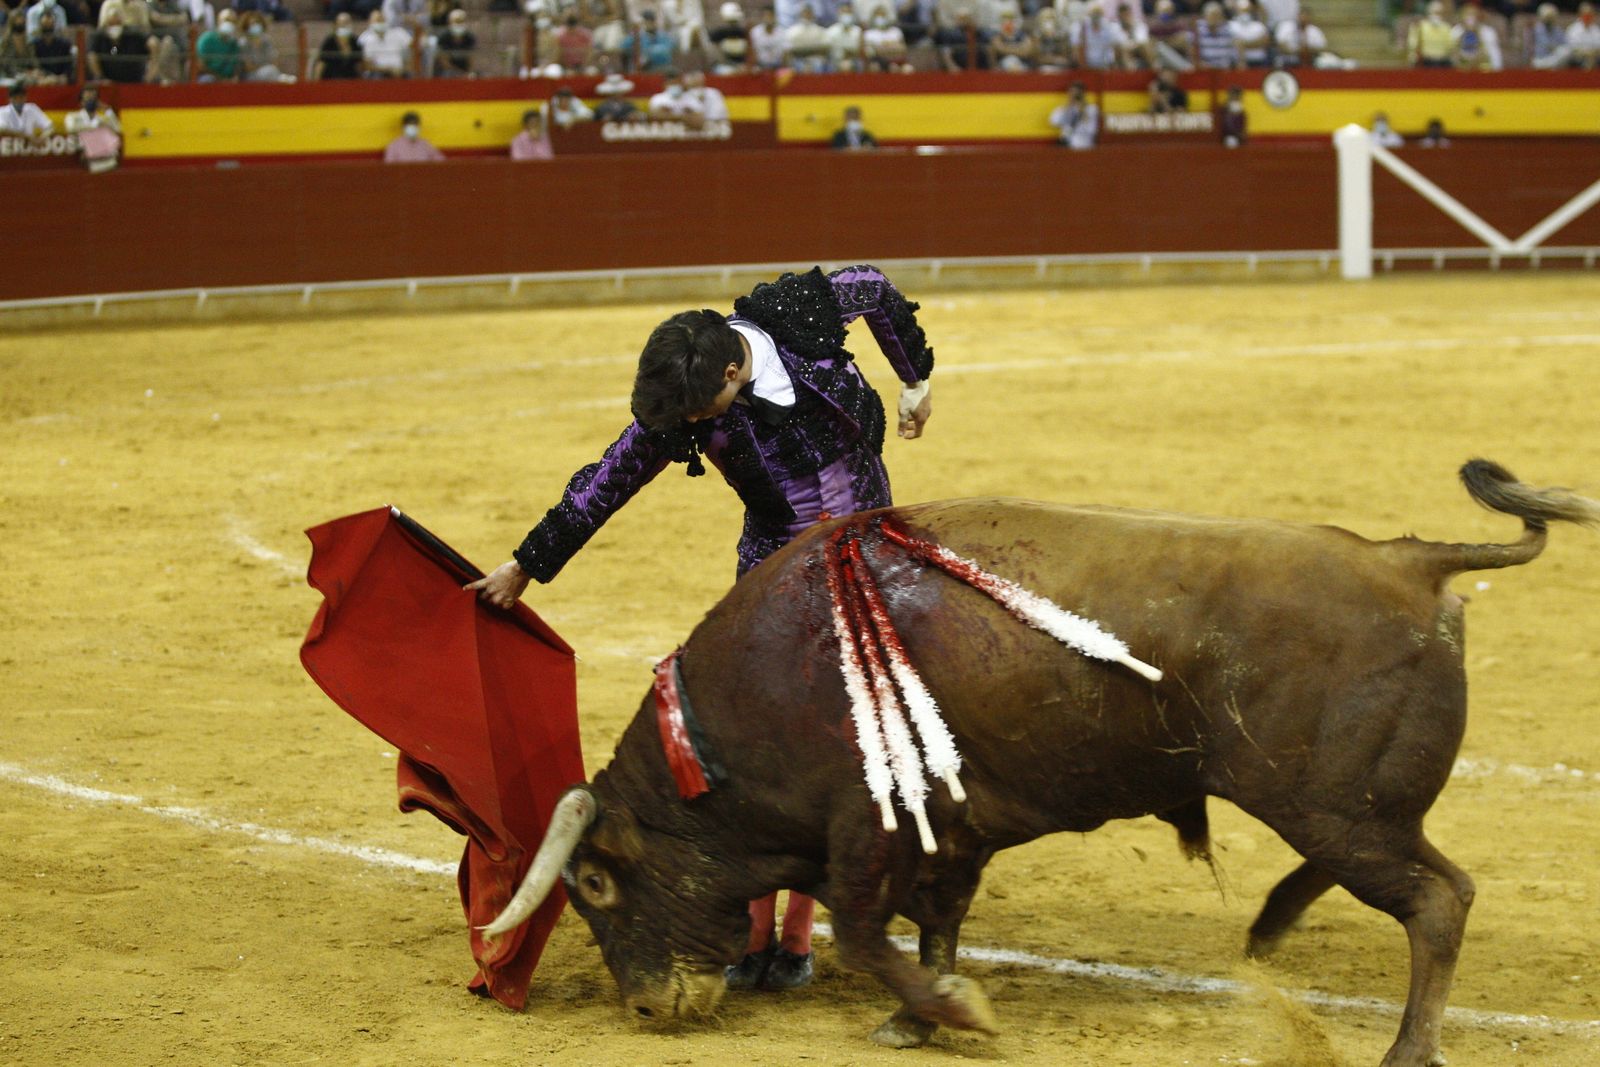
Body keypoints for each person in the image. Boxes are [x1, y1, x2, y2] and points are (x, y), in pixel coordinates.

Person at [465, 266, 936, 993]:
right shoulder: (693, 404)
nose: (689, 424)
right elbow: (608, 479)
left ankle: (799, 936)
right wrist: (526, 564)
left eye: (697, 408)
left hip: (864, 555)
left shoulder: (798, 315)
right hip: (771, 577)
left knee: (834, 743)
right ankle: (753, 936)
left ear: (731, 366)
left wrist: (916, 378)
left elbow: (872, 286)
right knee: (758, 743)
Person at [65, 83, 123, 172]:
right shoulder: (73, 117)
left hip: (106, 159)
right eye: (87, 99)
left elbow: (118, 129)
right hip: (81, 160)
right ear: (81, 102)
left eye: (93, 99)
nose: (90, 101)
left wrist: (108, 110)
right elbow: (71, 128)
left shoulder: (103, 119)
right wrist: (93, 126)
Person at [90, 12, 153, 82]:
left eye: (118, 23)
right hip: (108, 82)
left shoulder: (133, 35)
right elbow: (92, 55)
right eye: (111, 24)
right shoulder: (100, 36)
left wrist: (148, 77)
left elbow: (152, 44)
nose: (115, 27)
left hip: (134, 81)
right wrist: (100, 78)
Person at [240, 10, 295, 80]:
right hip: (250, 76)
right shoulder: (243, 43)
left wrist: (267, 67)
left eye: (257, 22)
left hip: (270, 73)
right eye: (252, 24)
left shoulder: (266, 40)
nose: (255, 25)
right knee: (270, 71)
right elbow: (248, 67)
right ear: (247, 27)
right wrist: (265, 67)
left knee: (272, 71)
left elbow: (274, 60)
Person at [359, 9, 414, 76]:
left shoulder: (399, 33)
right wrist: (388, 69)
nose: (380, 22)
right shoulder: (365, 38)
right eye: (378, 20)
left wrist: (406, 67)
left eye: (382, 19)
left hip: (400, 71)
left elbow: (413, 50)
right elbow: (367, 64)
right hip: (379, 72)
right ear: (370, 22)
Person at [1049, 80, 1098, 149]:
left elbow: (1091, 130)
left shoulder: (1091, 109)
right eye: (1072, 93)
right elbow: (1054, 122)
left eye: (1077, 93)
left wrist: (1083, 111)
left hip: (1084, 146)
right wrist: (1068, 107)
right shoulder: (1062, 109)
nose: (1074, 96)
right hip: (1067, 146)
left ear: (1083, 94)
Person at [1451, 3, 1501, 70]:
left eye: (1473, 15)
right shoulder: (1455, 32)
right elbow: (1452, 54)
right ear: (1461, 17)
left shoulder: (1488, 32)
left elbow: (1494, 55)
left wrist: (1497, 72)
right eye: (1467, 15)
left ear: (1479, 17)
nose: (1470, 18)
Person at [195, 10, 242, 80]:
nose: (229, 23)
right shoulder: (207, 39)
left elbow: (236, 66)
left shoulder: (235, 43)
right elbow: (200, 65)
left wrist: (234, 77)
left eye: (233, 21)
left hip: (229, 79)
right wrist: (220, 79)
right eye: (226, 20)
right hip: (209, 77)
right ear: (218, 22)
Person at [315, 12, 364, 77]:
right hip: (331, 78)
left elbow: (358, 64)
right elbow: (321, 63)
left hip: (350, 78)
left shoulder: (355, 41)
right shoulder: (329, 42)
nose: (344, 26)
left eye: (347, 23)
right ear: (336, 25)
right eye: (342, 24)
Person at [30, 12, 76, 83]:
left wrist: (62, 76)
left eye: (50, 24)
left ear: (54, 24)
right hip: (42, 79)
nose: (48, 25)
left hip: (61, 79)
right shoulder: (34, 44)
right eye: (45, 24)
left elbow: (68, 65)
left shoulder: (64, 44)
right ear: (40, 25)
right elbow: (34, 64)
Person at [1407, 0, 1453, 67]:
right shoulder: (1421, 26)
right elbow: (1413, 44)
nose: (1437, 16)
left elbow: (1450, 45)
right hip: (1426, 60)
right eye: (1435, 12)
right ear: (1429, 13)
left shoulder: (1446, 28)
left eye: (1439, 13)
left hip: (1442, 60)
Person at [435, 7, 475, 74]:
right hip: (447, 71)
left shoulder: (469, 37)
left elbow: (471, 58)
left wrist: (469, 73)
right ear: (450, 22)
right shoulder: (443, 37)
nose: (458, 24)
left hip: (464, 70)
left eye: (461, 21)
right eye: (456, 21)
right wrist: (460, 73)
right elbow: (443, 60)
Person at [1567, 2, 1600, 69]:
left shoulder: (1596, 30)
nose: (1588, 16)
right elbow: (1573, 49)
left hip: (1594, 57)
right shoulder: (1573, 29)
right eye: (1585, 14)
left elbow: (1598, 48)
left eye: (1590, 14)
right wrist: (1587, 54)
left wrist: (1592, 55)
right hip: (1578, 57)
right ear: (1580, 14)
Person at [1219, 83, 1246, 147]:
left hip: (1237, 137)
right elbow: (1227, 125)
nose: (1236, 96)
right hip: (1230, 137)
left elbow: (1242, 124)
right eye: (1234, 94)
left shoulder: (1241, 109)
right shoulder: (1225, 109)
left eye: (1237, 95)